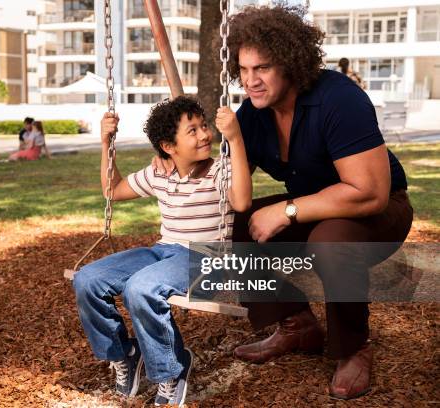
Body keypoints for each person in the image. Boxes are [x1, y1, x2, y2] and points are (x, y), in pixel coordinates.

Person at [153, 6, 412, 401]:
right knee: (241, 218)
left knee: (331, 241)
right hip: (318, 203)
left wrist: (287, 211)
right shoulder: (254, 114)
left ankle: (353, 346)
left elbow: (370, 192)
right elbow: (220, 174)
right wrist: (173, 158)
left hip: (378, 209)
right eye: (243, 69)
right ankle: (296, 324)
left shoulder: (339, 99)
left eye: (262, 69)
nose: (250, 81)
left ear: (291, 62)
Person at [73, 96, 252, 406]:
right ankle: (125, 354)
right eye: (192, 131)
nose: (204, 135)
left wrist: (234, 140)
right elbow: (111, 190)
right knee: (87, 279)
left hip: (204, 256)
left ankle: (171, 368)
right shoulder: (159, 173)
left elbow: (242, 203)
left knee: (140, 288)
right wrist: (105, 143)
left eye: (203, 126)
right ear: (169, 146)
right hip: (164, 250)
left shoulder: (219, 170)